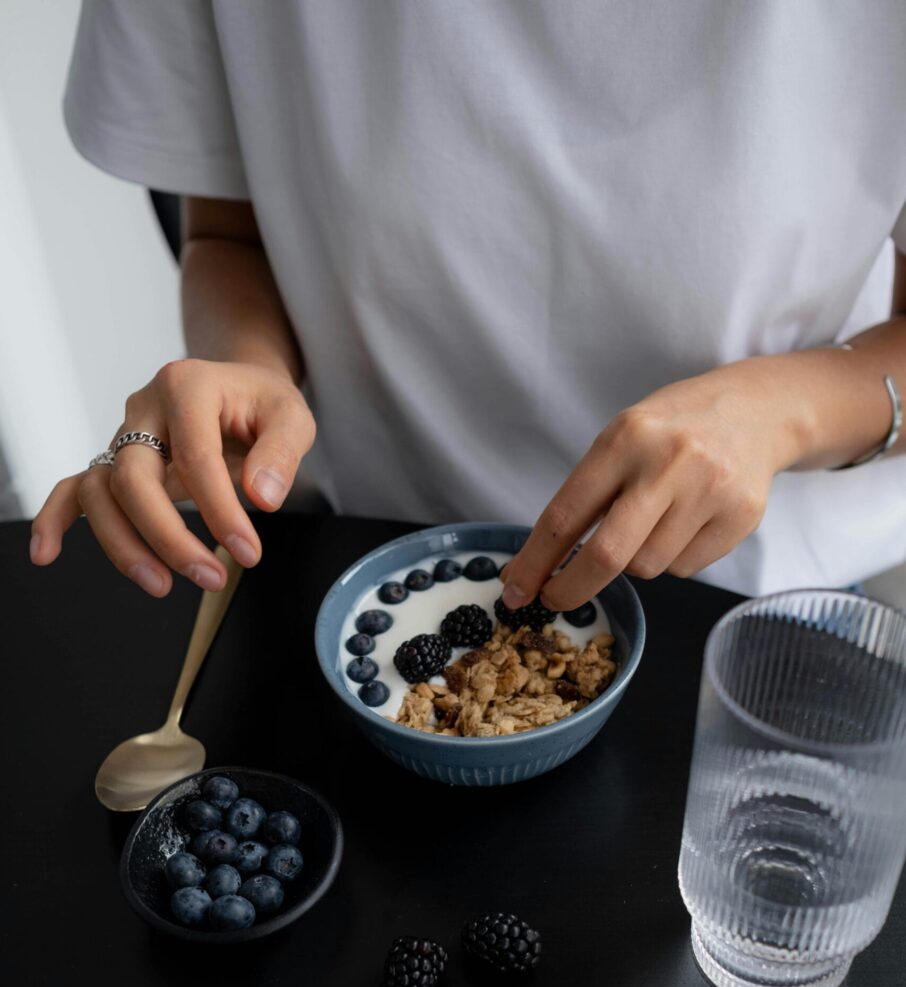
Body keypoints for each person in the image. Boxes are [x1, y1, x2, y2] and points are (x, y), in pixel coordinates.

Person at [31, 1, 906, 612]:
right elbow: (230, 234)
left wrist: (782, 412)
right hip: (359, 551)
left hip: (759, 604)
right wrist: (248, 377)